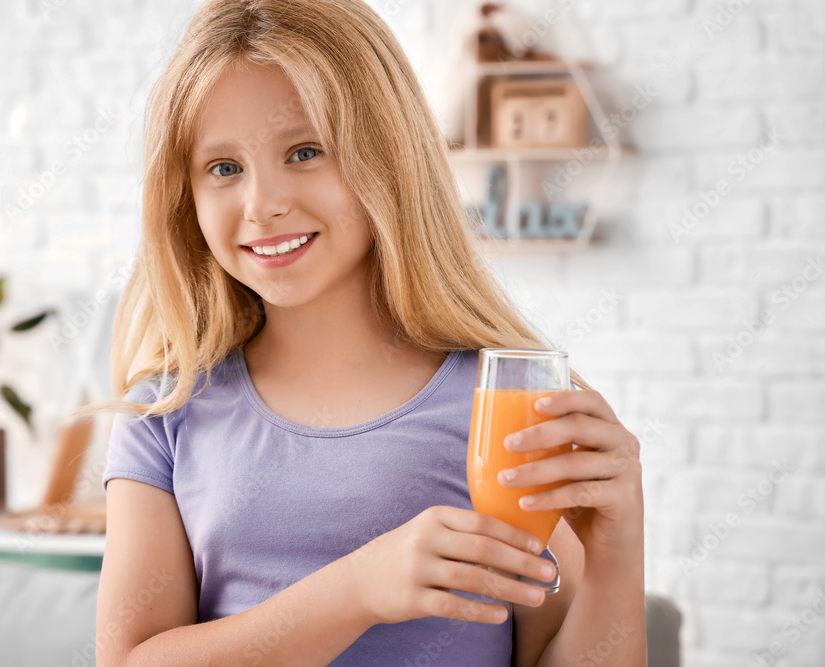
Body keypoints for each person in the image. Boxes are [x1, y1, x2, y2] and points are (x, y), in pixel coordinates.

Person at [91, 1, 646, 664]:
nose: (262, 202)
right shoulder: (167, 411)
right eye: (224, 167)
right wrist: (358, 589)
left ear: (388, 157)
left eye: (305, 151)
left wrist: (617, 556)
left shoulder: (506, 404)